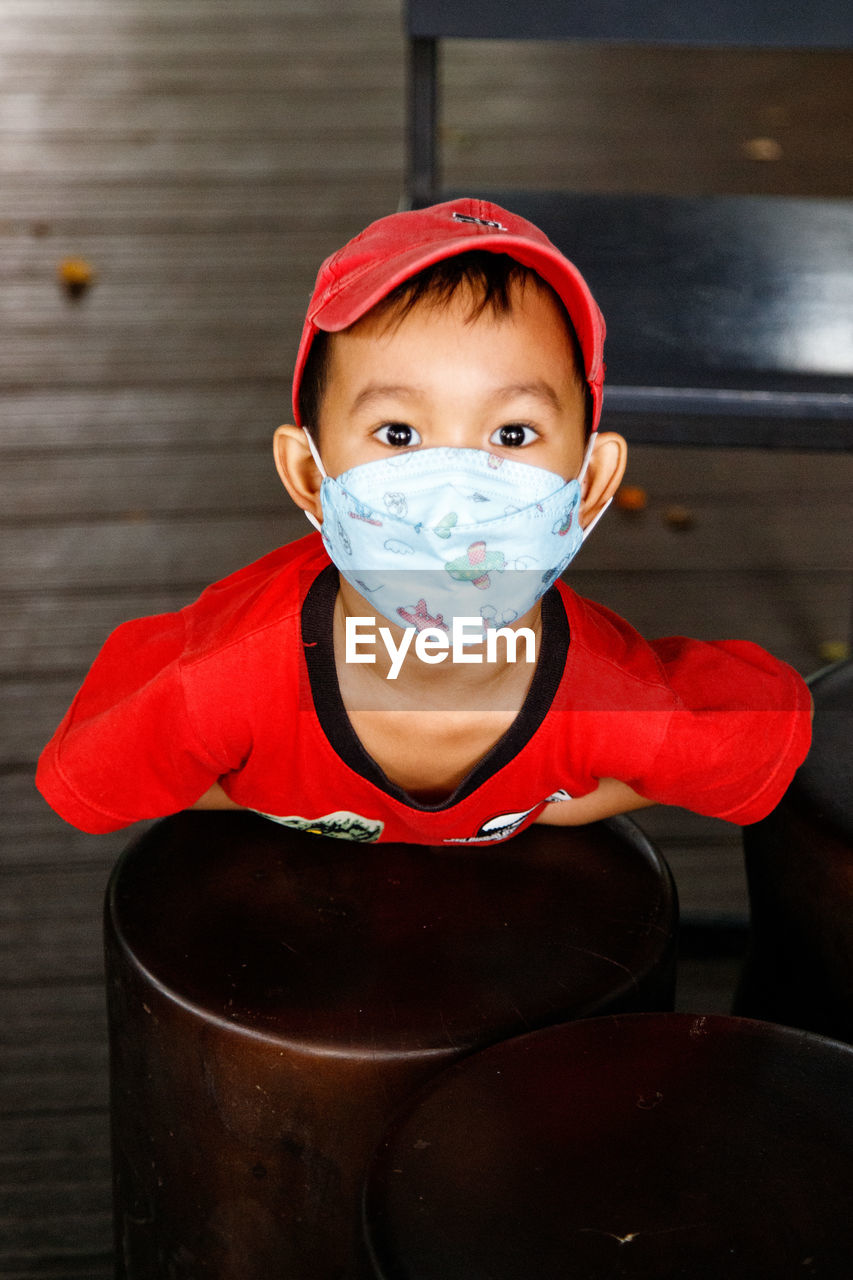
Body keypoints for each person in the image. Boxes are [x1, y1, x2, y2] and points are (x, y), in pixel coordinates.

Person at [36, 199, 812, 844]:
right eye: (398, 435)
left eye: (511, 435)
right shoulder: (218, 689)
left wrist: (554, 800)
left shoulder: (610, 702)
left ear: (590, 482)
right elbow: (93, 773)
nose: (453, 491)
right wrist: (266, 788)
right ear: (311, 475)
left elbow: (761, 728)